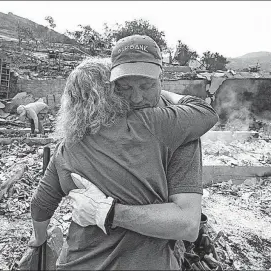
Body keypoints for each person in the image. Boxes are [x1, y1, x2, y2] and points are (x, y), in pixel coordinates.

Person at [29, 47, 218, 270]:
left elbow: (40, 204)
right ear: (113, 91)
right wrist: (162, 92)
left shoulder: (66, 148)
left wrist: (39, 239)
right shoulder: (151, 124)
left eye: (146, 85)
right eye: (126, 87)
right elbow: (204, 111)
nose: (136, 96)